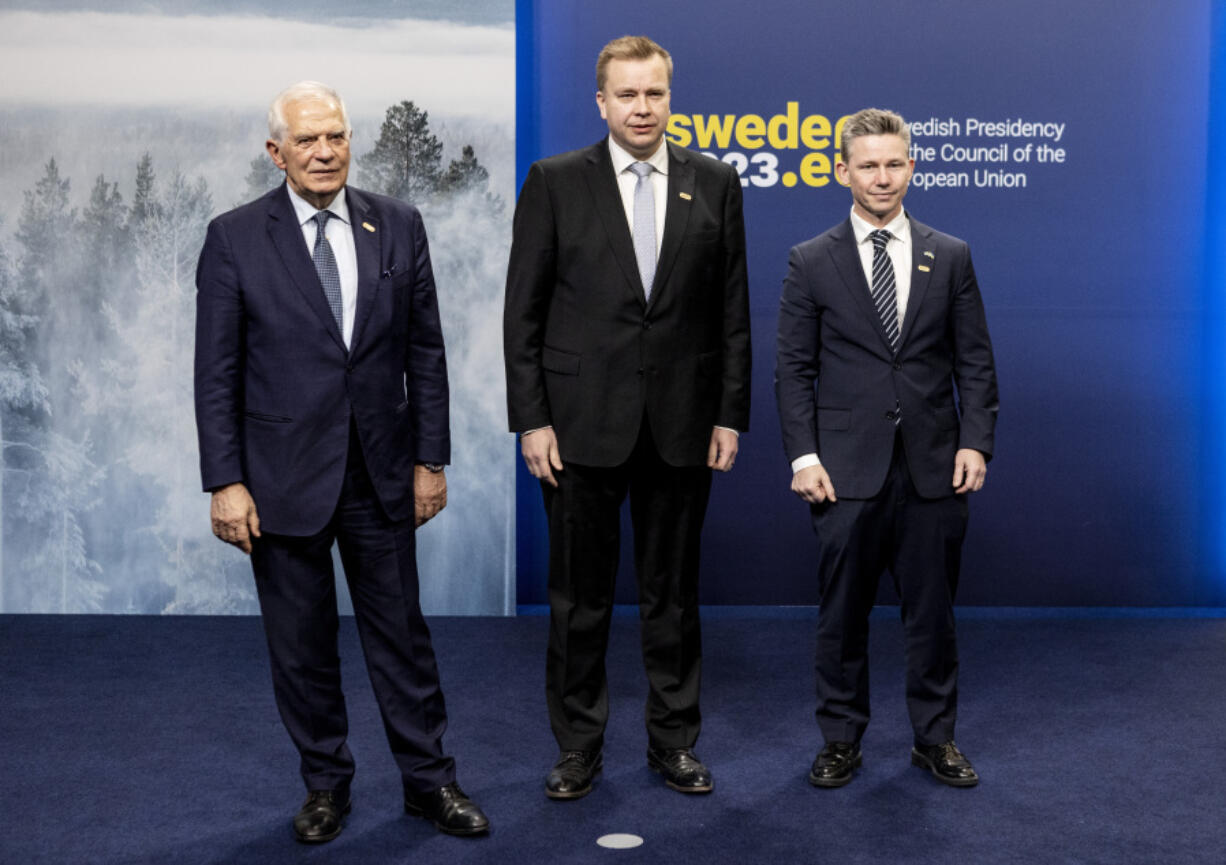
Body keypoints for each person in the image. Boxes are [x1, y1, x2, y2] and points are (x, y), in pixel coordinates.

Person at [194, 81, 488, 842]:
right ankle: (325, 785)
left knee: (403, 641)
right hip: (279, 479)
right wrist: (225, 481)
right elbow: (215, 371)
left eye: (336, 137)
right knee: (302, 647)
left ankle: (431, 782)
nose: (325, 152)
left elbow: (426, 351)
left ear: (350, 141)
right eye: (307, 140)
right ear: (276, 152)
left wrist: (431, 458)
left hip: (383, 473)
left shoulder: (395, 224)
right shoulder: (233, 237)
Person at [504, 35, 751, 799]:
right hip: (577, 428)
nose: (643, 108)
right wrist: (531, 420)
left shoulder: (716, 181)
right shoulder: (553, 181)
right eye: (628, 95)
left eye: (655, 94)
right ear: (601, 101)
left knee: (671, 596)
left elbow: (731, 313)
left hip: (682, 424)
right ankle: (578, 747)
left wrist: (728, 413)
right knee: (580, 600)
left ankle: (673, 742)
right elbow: (524, 315)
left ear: (670, 98)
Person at [774, 108, 999, 789]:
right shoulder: (810, 260)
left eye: (893, 163)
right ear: (842, 170)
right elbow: (794, 369)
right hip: (844, 472)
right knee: (841, 616)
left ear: (912, 166)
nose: (881, 176)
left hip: (934, 467)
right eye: (867, 164)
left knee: (932, 615)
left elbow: (976, 362)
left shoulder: (951, 253)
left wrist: (976, 441)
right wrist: (803, 456)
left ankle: (935, 739)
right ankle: (841, 739)